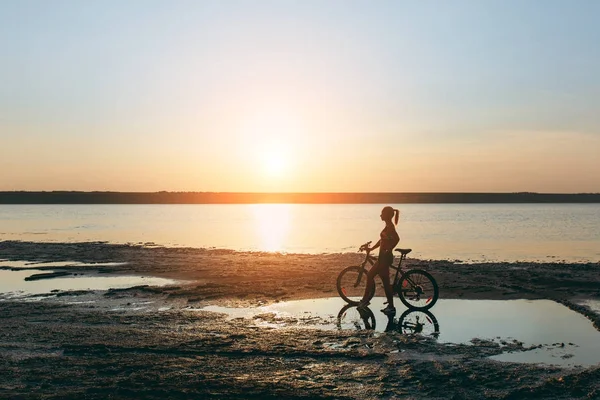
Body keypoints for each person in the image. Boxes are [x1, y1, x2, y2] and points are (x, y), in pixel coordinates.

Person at [358, 206, 400, 315]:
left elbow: (397, 239)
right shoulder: (387, 226)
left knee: (370, 275)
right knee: (386, 283)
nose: (380, 215)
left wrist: (389, 249)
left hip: (384, 259)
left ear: (386, 215)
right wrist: (372, 249)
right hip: (383, 258)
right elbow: (381, 241)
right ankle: (391, 307)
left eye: (382, 213)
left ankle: (365, 301)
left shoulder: (390, 227)